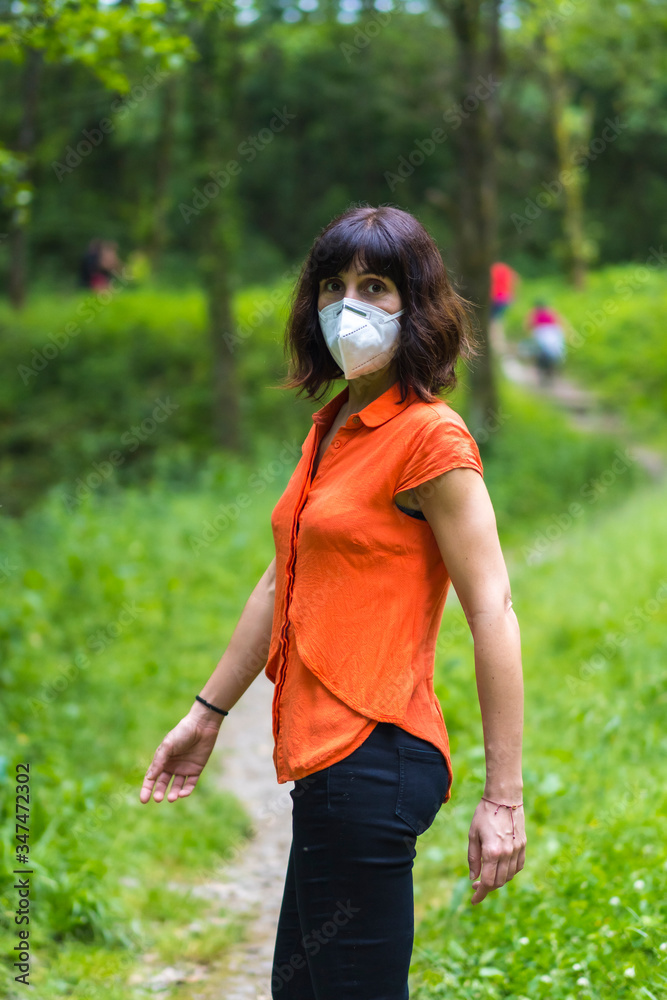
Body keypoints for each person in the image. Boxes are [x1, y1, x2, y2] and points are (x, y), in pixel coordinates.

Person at [139, 205, 526, 1000]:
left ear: (416, 305)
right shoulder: (335, 425)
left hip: (372, 758)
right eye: (333, 285)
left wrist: (503, 799)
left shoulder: (430, 438)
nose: (347, 305)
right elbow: (281, 577)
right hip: (327, 768)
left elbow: (492, 612)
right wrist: (206, 714)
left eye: (376, 286)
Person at [524, 299, 566, 385]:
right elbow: (560, 323)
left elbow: (528, 325)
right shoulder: (551, 311)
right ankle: (551, 370)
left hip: (542, 334)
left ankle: (543, 371)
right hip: (554, 333)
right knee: (554, 352)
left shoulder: (534, 313)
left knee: (539, 352)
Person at [489, 260, 520, 353]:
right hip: (505, 298)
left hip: (494, 297)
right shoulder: (506, 269)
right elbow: (516, 279)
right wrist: (514, 294)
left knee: (493, 321)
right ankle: (499, 343)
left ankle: (496, 344)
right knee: (499, 320)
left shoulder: (492, 269)